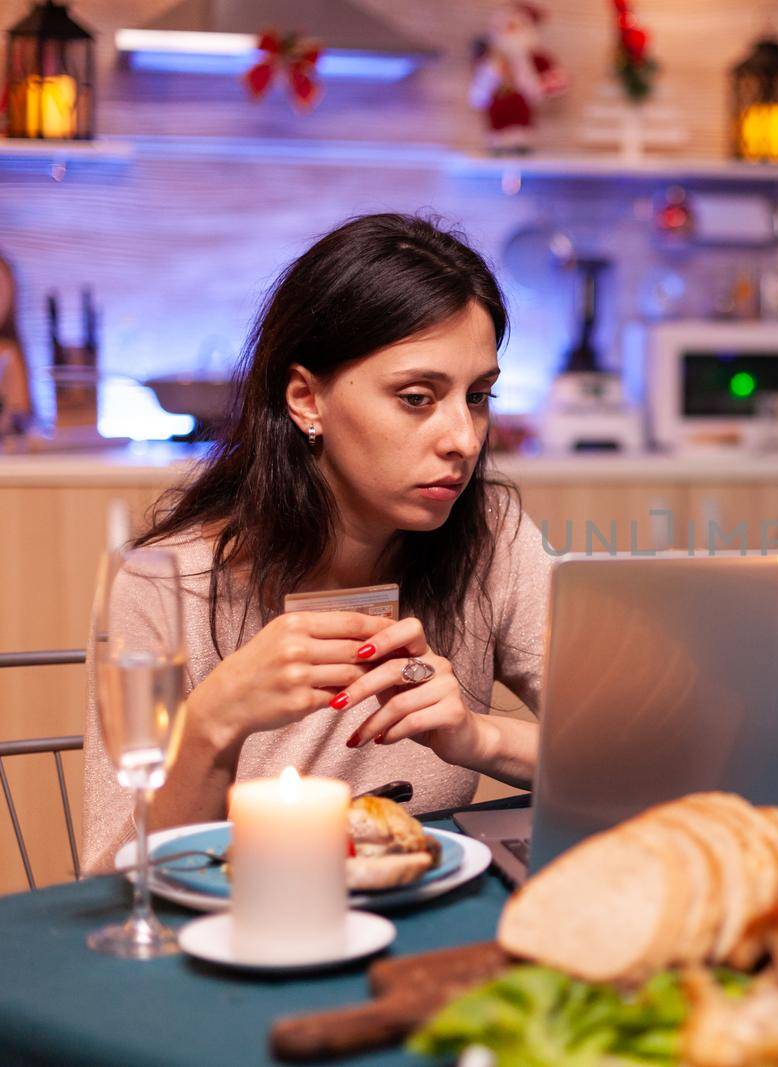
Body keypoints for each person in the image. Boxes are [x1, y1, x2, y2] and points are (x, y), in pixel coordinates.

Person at [80, 214, 551, 873]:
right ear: (306, 399)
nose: (465, 440)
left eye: (478, 396)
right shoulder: (166, 582)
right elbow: (112, 880)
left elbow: (641, 751)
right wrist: (212, 721)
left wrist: (479, 734)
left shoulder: (491, 538)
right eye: (418, 398)